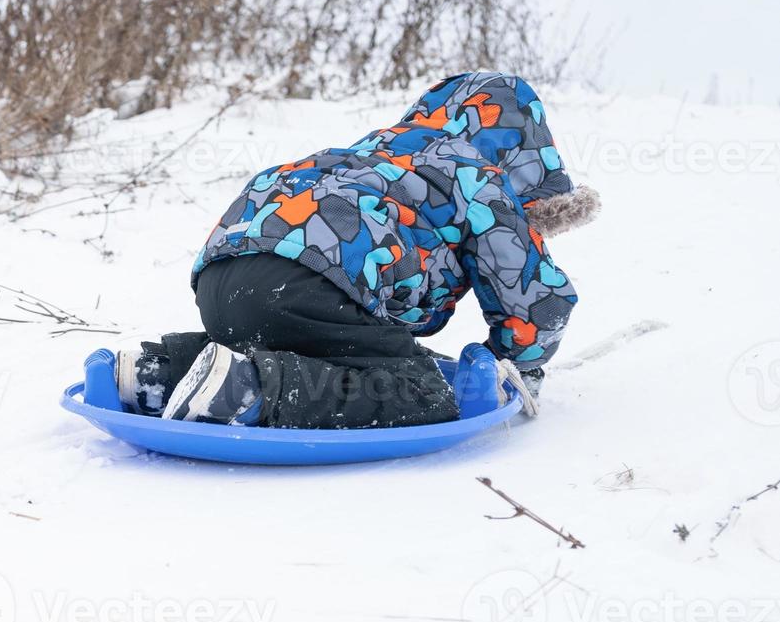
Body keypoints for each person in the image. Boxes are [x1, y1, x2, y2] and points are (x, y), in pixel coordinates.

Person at [119, 71, 601, 428]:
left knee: (310, 350)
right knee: (422, 386)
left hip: (220, 282)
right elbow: (536, 299)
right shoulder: (477, 176)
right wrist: (516, 364)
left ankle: (156, 373)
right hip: (315, 287)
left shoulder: (372, 156)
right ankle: (246, 390)